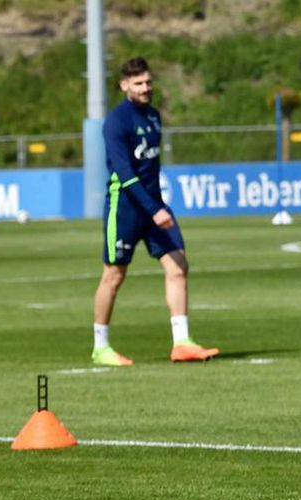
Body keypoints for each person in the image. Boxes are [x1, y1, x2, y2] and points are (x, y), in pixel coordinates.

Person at [92, 57, 219, 366]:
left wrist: (157, 206)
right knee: (114, 275)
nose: (145, 88)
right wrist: (153, 209)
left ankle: (182, 342)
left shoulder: (153, 117)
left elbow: (151, 169)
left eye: (148, 82)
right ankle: (101, 346)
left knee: (178, 265)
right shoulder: (116, 121)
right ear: (124, 86)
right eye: (138, 83)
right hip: (124, 208)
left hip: (154, 207)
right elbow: (124, 172)